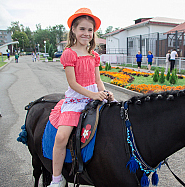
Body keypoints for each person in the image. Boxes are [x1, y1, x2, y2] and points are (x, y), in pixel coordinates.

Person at [47, 8, 114, 187]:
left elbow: (98, 80)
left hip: (94, 96)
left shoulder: (94, 55)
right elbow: (73, 84)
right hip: (76, 99)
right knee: (61, 136)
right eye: (82, 29)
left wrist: (106, 93)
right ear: (74, 31)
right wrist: (93, 94)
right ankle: (57, 178)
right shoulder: (69, 53)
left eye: (90, 30)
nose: (86, 33)